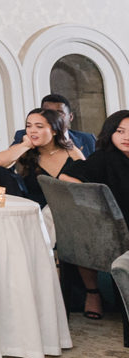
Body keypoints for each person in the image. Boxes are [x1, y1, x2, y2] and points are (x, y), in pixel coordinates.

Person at [61, 109, 129, 321]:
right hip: (116, 228)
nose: (126, 137)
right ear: (110, 133)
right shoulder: (104, 157)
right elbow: (66, 177)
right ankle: (93, 293)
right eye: (120, 131)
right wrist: (100, 202)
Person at [0, 106, 84, 208]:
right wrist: (26, 145)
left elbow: (87, 185)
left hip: (69, 211)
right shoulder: (24, 150)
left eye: (39, 127)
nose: (32, 131)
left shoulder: (71, 151)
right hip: (36, 214)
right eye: (28, 126)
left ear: (54, 131)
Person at [13, 94, 96, 157]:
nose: (52, 118)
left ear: (70, 117)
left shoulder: (87, 139)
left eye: (59, 113)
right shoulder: (25, 135)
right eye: (47, 113)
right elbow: (6, 168)